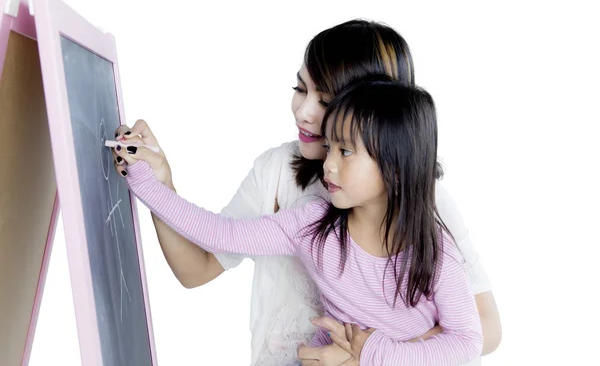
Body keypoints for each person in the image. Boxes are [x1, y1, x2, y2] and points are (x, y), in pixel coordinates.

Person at [112, 19, 501, 365]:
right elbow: (204, 256)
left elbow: (478, 334)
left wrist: (365, 357)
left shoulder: (428, 221)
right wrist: (156, 183)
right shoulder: (296, 193)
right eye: (301, 89)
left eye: (327, 101)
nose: (303, 112)